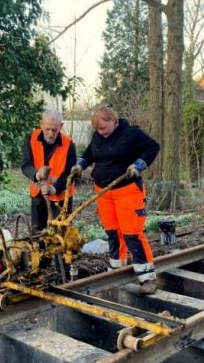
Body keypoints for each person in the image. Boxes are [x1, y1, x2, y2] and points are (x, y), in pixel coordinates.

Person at [71, 105, 160, 294]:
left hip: (127, 190)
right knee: (112, 232)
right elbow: (89, 153)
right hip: (104, 192)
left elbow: (153, 147)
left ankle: (147, 277)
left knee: (132, 233)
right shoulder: (98, 136)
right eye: (98, 129)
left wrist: (139, 164)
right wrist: (80, 164)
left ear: (114, 120)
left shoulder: (131, 134)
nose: (101, 132)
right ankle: (116, 268)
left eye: (104, 127)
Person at [21, 109, 77, 234]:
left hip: (61, 199)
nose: (51, 134)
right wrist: (36, 174)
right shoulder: (31, 138)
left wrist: (54, 189)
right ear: (41, 124)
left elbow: (71, 175)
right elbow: (26, 165)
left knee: (61, 237)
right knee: (37, 235)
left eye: (55, 130)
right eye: (47, 129)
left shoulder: (69, 145)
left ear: (61, 126)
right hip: (38, 196)